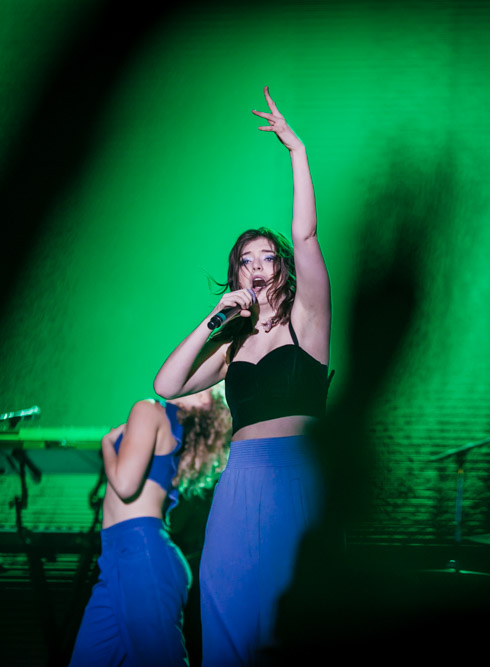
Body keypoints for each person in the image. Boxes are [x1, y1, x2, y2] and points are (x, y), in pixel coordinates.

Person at [154, 86, 331, 665]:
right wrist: (213, 319)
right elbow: (166, 386)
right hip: (242, 476)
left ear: (282, 266)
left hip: (297, 472)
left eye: (266, 257)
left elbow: (305, 235)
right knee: (225, 598)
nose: (256, 267)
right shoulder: (231, 343)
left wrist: (296, 151)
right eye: (245, 261)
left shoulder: (308, 319)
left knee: (291, 612)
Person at [69, 388, 230, 667]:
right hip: (121, 555)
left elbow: (125, 485)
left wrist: (107, 444)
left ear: (204, 400)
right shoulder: (176, 432)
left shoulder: (149, 410)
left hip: (141, 553)